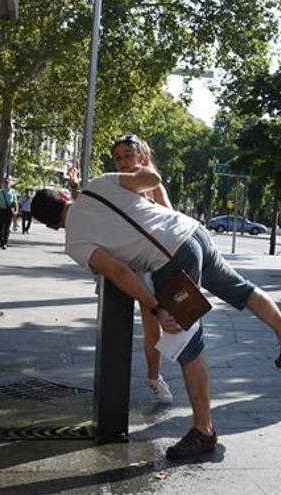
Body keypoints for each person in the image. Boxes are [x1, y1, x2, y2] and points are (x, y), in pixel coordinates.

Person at [30, 146, 281, 460]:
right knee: (241, 289)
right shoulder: (98, 184)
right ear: (66, 197)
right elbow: (151, 179)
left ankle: (204, 431)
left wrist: (156, 307)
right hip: (193, 232)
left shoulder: (75, 242)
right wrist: (145, 166)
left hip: (170, 260)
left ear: (52, 226)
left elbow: (121, 273)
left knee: (187, 346)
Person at [68, 135, 173, 404]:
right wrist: (75, 188)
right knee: (114, 325)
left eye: (129, 155)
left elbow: (170, 219)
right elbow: (90, 208)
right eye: (119, 158)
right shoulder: (113, 182)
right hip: (118, 267)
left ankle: (154, 377)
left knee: (153, 328)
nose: (124, 162)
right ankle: (111, 386)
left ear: (141, 156)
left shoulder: (151, 185)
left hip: (145, 266)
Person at [0, 176, 18, 249]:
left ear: (10, 183)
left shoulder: (13, 191)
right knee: (1, 227)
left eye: (8, 182)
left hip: (9, 211)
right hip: (1, 210)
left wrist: (16, 211)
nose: (7, 184)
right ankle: (1, 242)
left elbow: (15, 202)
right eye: (5, 182)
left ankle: (5, 242)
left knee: (7, 227)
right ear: (3, 183)